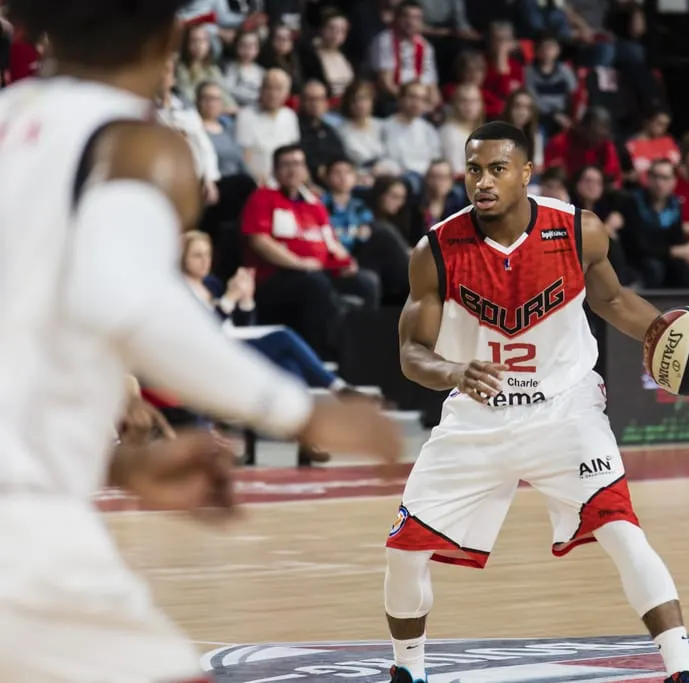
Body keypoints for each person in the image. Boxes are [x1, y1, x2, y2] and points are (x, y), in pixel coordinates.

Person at [0, 2, 401, 682]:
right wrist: (304, 411)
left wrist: (114, 467)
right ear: (173, 41)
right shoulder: (135, 140)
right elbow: (127, 298)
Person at [383, 121, 689, 683]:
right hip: (478, 417)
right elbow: (410, 353)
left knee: (620, 529)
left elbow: (615, 300)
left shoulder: (577, 231)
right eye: (474, 170)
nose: (484, 182)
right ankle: (408, 672)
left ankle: (682, 672)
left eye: (498, 169)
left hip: (565, 410)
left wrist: (676, 339)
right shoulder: (436, 250)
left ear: (526, 172)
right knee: (403, 551)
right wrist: (453, 370)